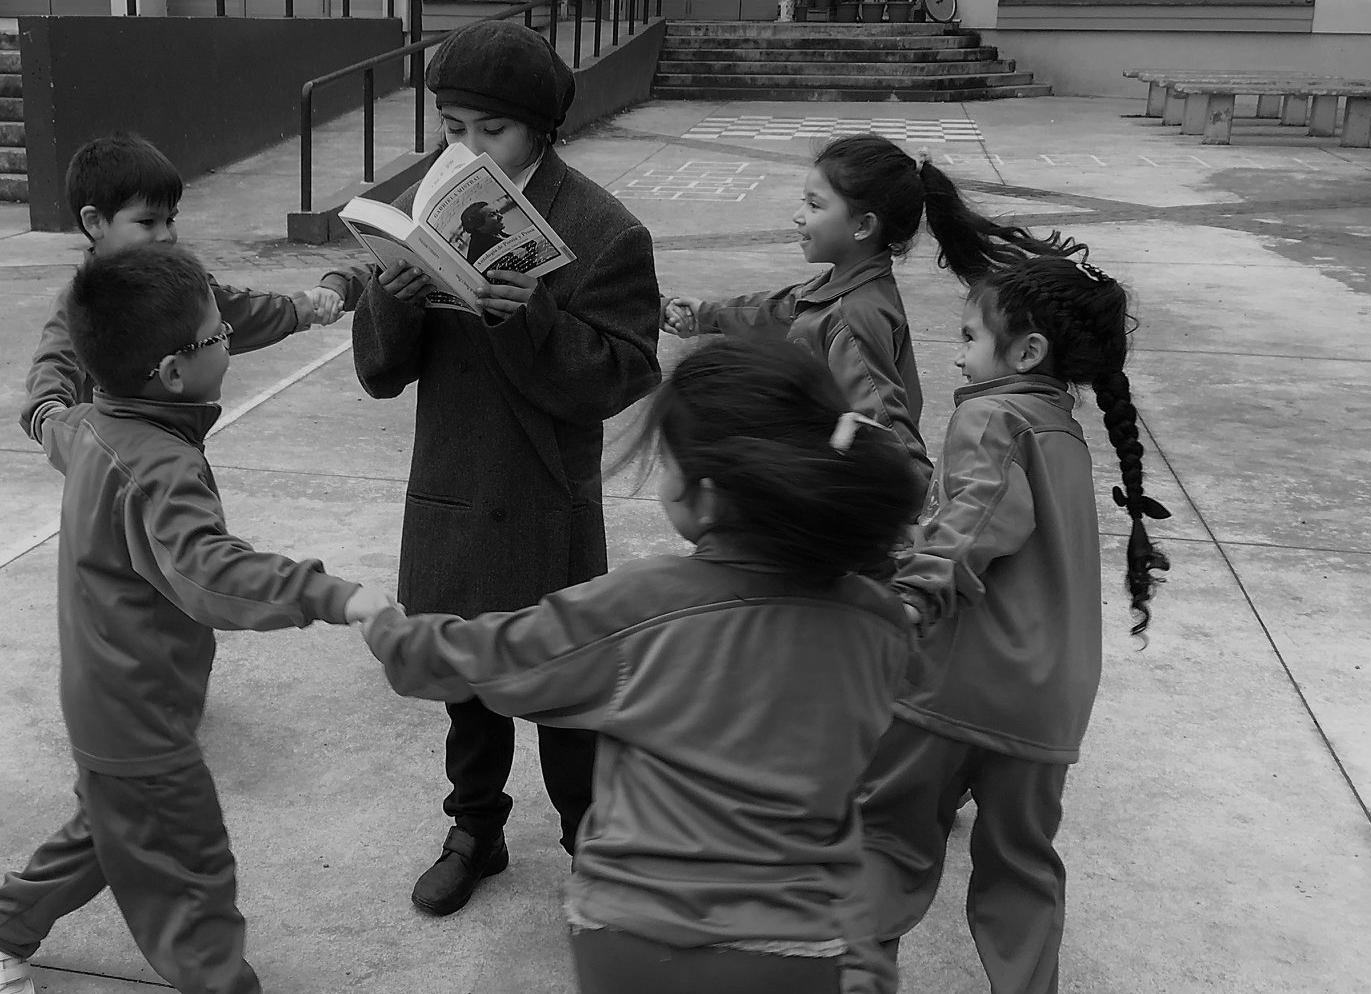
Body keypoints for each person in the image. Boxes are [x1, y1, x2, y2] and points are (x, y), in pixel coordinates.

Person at [356, 338, 923, 993]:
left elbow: (498, 658)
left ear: (706, 498)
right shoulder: (879, 622)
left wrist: (394, 634)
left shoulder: (642, 606)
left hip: (635, 939)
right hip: (798, 946)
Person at [0, 243, 395, 994]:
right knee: (191, 882)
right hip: (141, 714)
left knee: (112, 832)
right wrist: (331, 595)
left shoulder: (92, 425)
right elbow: (205, 569)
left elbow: (49, 414)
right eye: (220, 335)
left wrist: (49, 393)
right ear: (174, 372)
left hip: (105, 697)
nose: (229, 342)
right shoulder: (162, 465)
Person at [316, 20, 661, 917]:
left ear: (541, 132)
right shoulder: (438, 208)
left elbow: (623, 371)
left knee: (563, 687)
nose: (466, 150)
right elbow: (383, 375)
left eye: (489, 132)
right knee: (465, 680)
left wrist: (533, 318)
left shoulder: (602, 230)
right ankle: (476, 828)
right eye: (453, 127)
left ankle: (592, 839)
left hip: (544, 495)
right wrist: (391, 297)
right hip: (455, 484)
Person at [857, 256, 1173, 994]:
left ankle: (856, 980)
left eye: (969, 335)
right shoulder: (1059, 428)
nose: (957, 350)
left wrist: (912, 593)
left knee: (888, 841)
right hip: (1048, 703)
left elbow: (975, 517)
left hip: (954, 685)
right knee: (1021, 863)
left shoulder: (990, 414)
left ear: (1026, 352)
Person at [660, 133, 1082, 505]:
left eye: (814, 204)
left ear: (863, 225)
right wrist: (703, 314)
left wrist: (913, 513)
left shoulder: (853, 316)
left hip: (836, 498)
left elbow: (884, 427)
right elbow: (777, 309)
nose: (798, 215)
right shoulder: (842, 288)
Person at [19, 132, 343, 444]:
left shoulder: (180, 283)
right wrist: (57, 424)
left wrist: (302, 308)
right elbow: (52, 370)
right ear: (95, 222)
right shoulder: (84, 303)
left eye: (170, 220)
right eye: (147, 222)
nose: (165, 235)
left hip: (175, 445)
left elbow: (237, 311)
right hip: (112, 458)